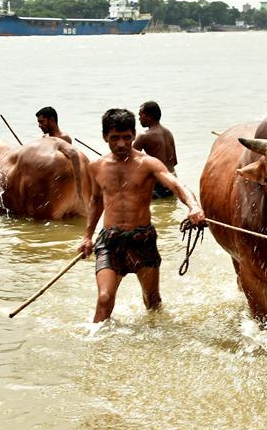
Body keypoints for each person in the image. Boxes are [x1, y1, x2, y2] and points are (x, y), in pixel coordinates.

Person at [77, 109, 205, 323]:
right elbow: (96, 201)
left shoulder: (148, 164)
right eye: (114, 138)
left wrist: (193, 206)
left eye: (126, 137)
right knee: (104, 297)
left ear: (134, 135)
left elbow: (175, 184)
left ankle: (157, 339)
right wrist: (87, 236)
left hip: (142, 239)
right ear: (104, 137)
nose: (121, 144)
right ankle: (96, 348)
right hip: (110, 241)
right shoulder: (95, 166)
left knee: (152, 301)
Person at [133, 101, 178, 198]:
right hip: (174, 181)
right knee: (169, 211)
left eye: (141, 115)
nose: (139, 118)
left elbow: (127, 159)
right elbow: (174, 162)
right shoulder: (168, 133)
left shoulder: (144, 136)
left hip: (159, 185)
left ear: (149, 116)